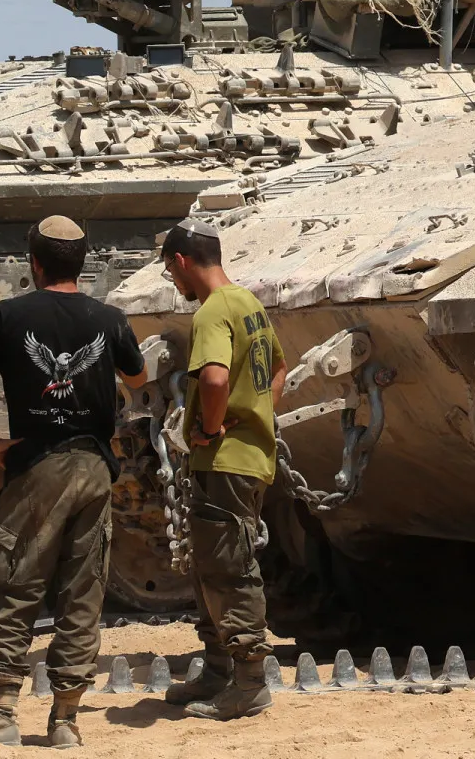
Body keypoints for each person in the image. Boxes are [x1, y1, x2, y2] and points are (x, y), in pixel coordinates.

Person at [0, 216, 147, 749]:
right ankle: (65, 721)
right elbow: (138, 377)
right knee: (83, 592)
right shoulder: (108, 318)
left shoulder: (9, 315)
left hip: (35, 466)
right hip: (94, 467)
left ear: (34, 263)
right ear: (82, 262)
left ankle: (2, 718)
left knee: (16, 584)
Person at [157, 218, 288, 721]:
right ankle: (217, 671)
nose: (175, 281)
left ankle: (249, 683)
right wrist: (256, 414)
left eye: (171, 271)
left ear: (181, 261)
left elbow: (213, 380)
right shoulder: (249, 304)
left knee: (229, 567)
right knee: (211, 565)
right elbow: (279, 369)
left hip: (224, 461)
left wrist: (211, 430)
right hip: (250, 457)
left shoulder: (212, 311)